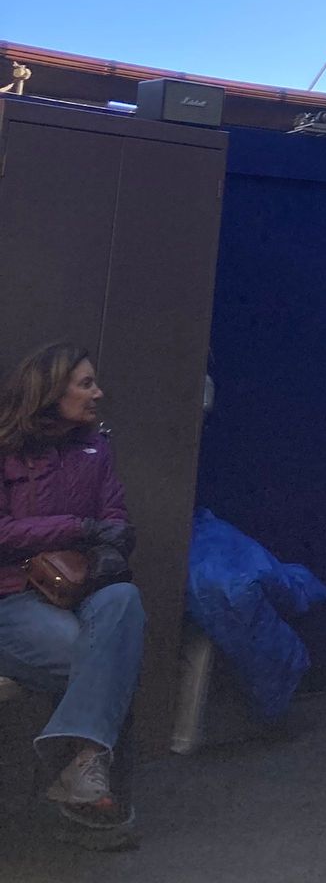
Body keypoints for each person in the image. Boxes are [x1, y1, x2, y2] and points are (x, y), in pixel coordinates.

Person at [0, 344, 143, 849]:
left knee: (124, 602)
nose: (98, 393)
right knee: (101, 658)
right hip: (14, 596)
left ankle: (82, 774)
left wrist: (110, 541)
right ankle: (86, 790)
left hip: (83, 588)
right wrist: (78, 527)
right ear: (50, 390)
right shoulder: (5, 448)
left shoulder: (96, 449)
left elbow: (114, 517)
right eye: (86, 384)